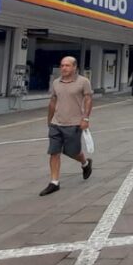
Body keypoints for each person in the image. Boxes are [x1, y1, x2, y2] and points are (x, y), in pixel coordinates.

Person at [40, 57, 93, 196]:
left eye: (67, 65)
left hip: (74, 123)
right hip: (56, 123)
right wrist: (49, 120)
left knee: (72, 152)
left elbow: (88, 99)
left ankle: (85, 163)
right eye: (62, 65)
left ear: (74, 67)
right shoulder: (56, 82)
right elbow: (53, 101)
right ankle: (54, 182)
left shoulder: (83, 82)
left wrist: (86, 118)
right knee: (54, 152)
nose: (64, 68)